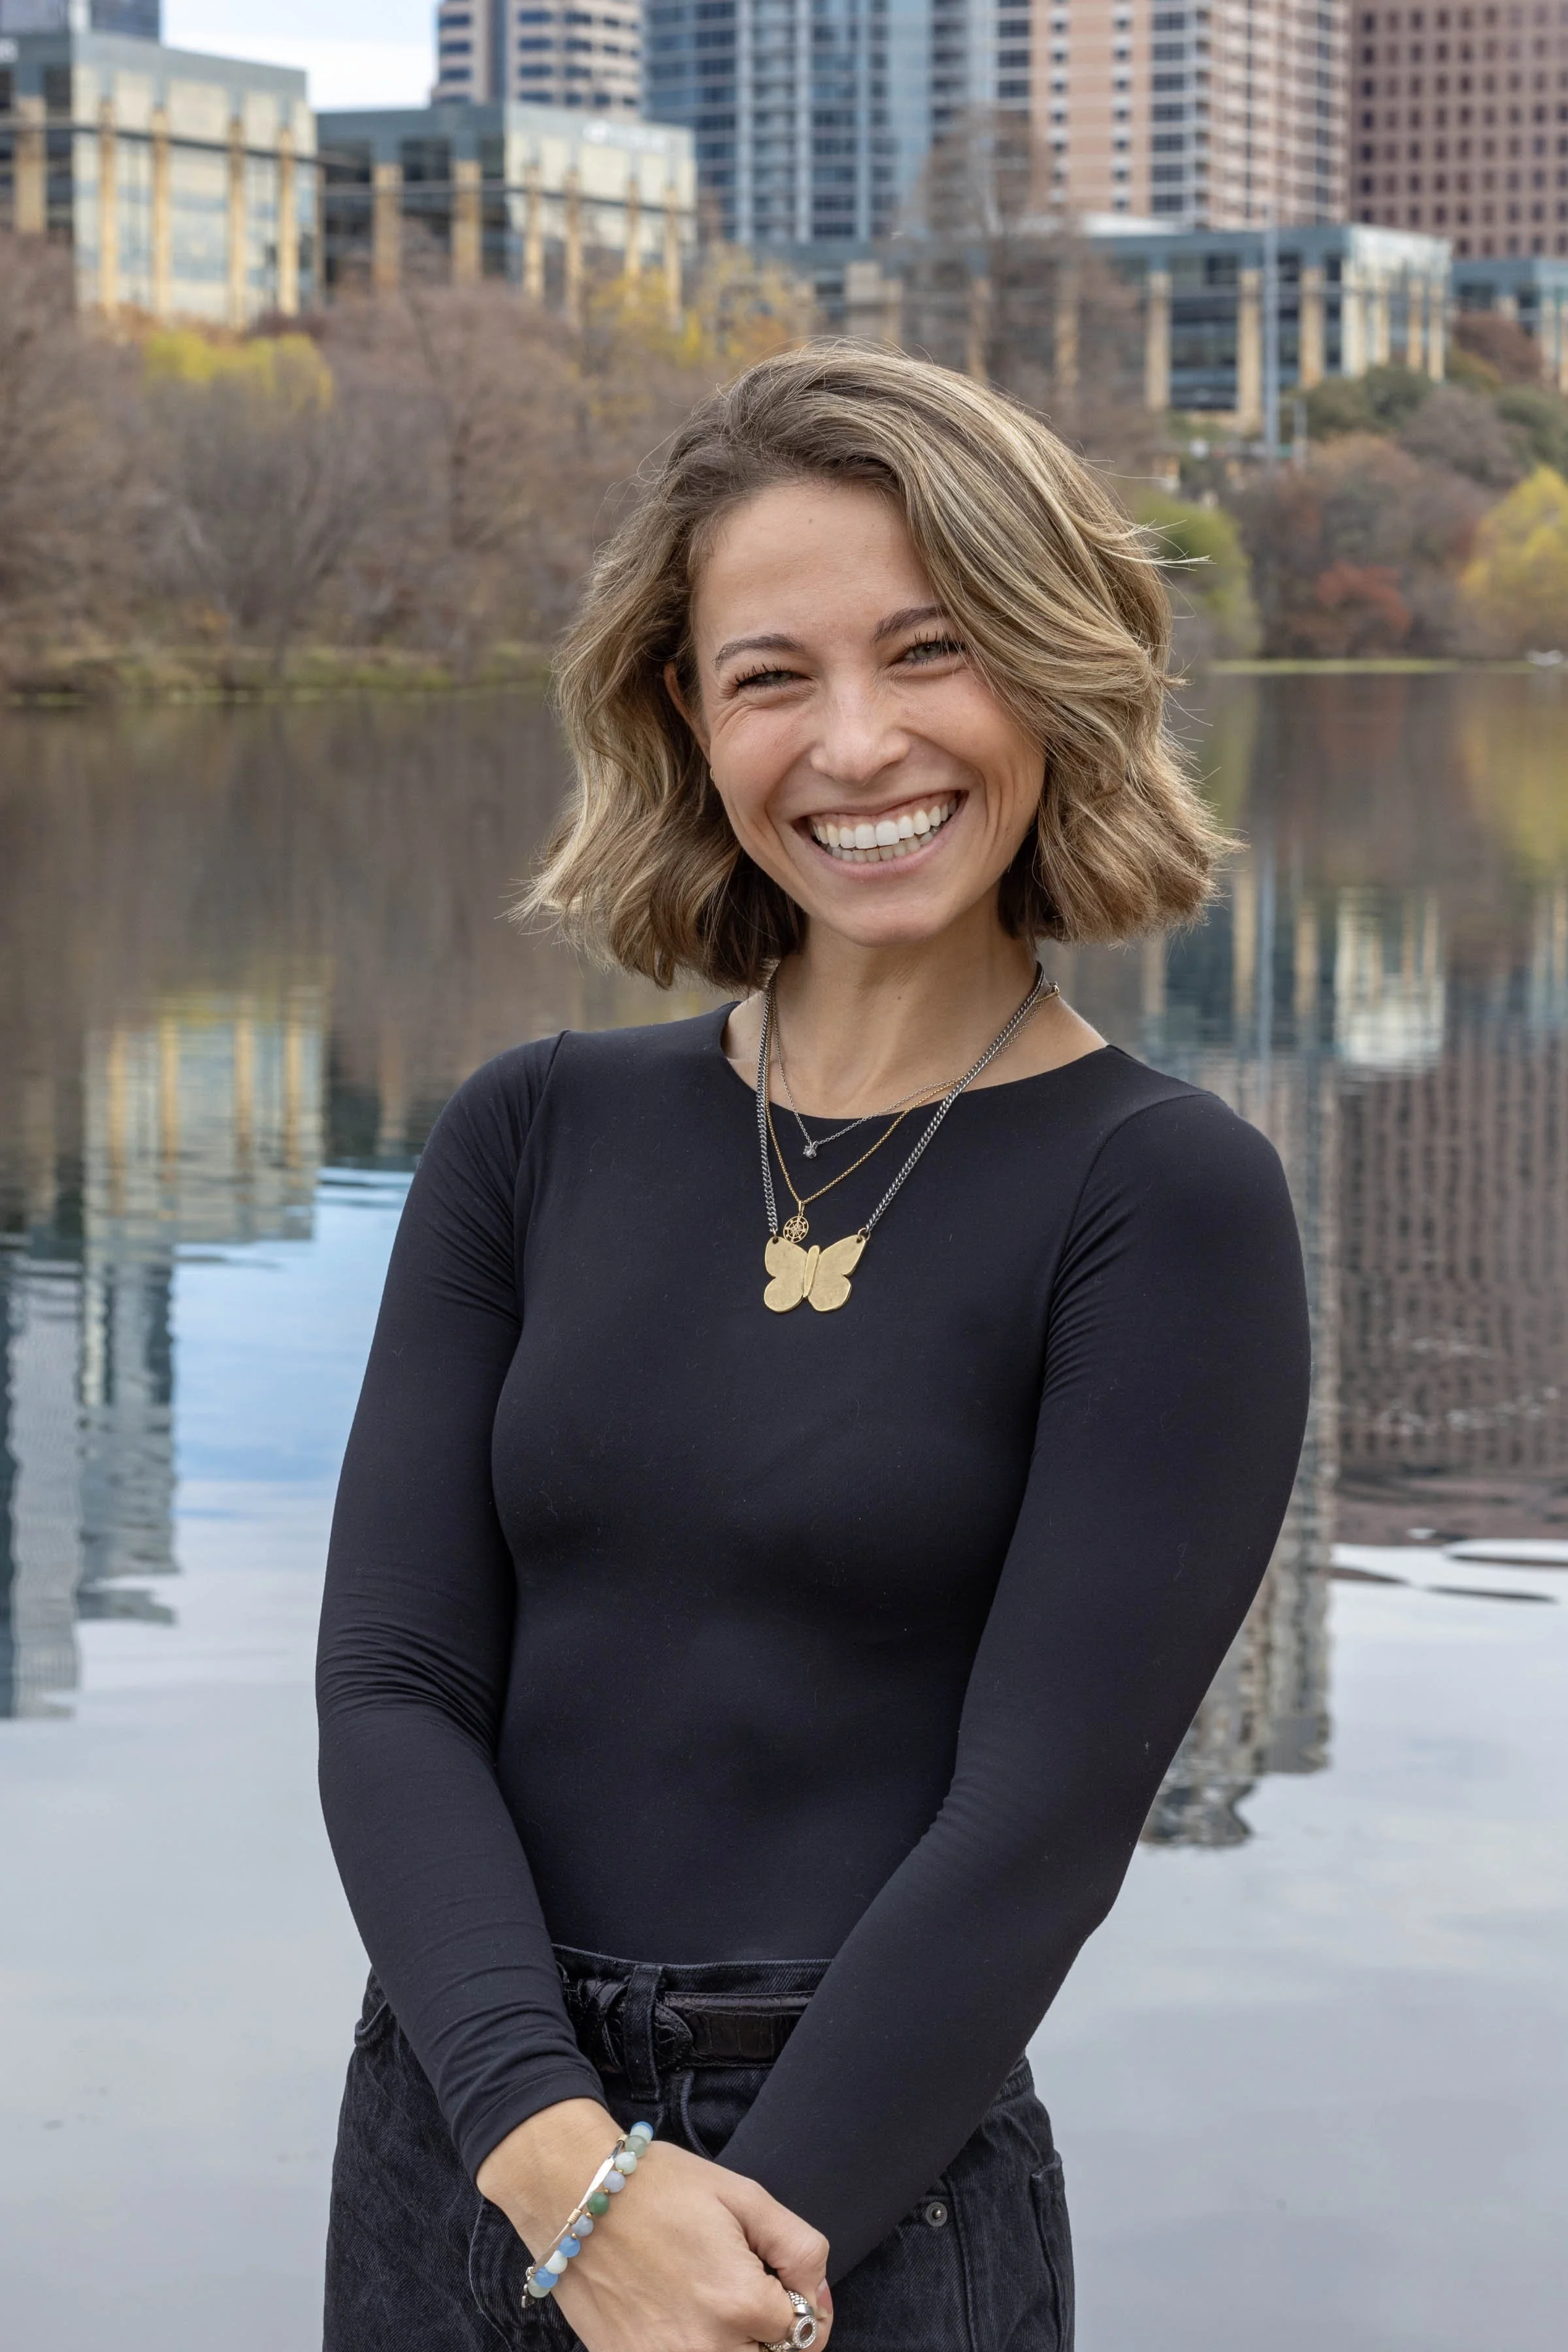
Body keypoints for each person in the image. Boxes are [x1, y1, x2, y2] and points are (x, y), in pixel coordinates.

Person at [317, 344, 1311, 2352]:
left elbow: (1039, 1827)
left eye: (929, 650)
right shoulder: (534, 1129)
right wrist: (545, 2154)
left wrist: (722, 2252)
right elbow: (394, 1681)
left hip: (865, 2191)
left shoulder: (1164, 1194)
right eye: (774, 673)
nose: (857, 745)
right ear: (688, 713)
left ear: (1049, 668)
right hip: (464, 2127)